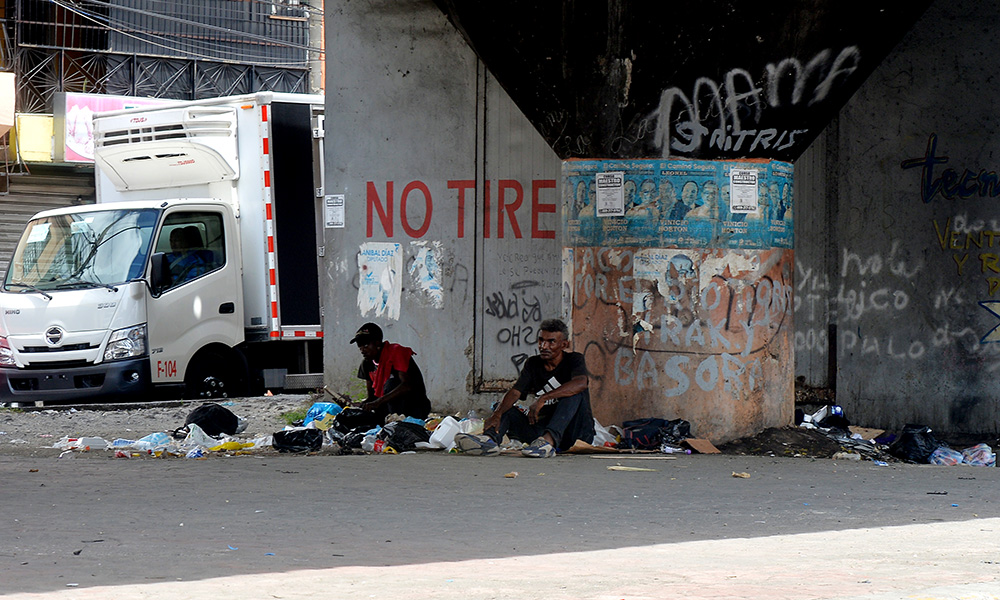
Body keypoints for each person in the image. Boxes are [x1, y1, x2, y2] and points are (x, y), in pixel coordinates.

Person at [455, 318, 595, 458]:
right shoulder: (533, 363)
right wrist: (497, 414)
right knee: (504, 406)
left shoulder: (574, 360)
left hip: (575, 434)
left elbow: (581, 383)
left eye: (551, 342)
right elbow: (516, 392)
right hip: (541, 431)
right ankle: (489, 441)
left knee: (574, 392)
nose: (544, 346)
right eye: (541, 340)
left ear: (564, 344)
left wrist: (544, 398)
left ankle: (548, 442)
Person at [350, 322, 431, 422]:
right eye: (360, 347)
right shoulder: (367, 364)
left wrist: (378, 402)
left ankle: (397, 422)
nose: (362, 350)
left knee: (391, 383)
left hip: (415, 406)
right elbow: (372, 398)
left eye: (366, 345)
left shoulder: (396, 352)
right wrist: (355, 405)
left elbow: (407, 385)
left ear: (377, 343)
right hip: (387, 409)